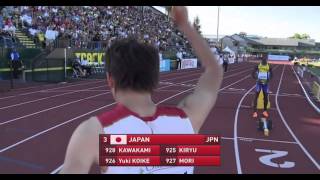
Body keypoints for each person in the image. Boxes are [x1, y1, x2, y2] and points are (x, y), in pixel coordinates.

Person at [60, 6, 223, 174]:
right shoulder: (187, 119)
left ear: (110, 80)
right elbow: (215, 71)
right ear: (155, 78)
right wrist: (185, 26)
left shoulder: (94, 132)